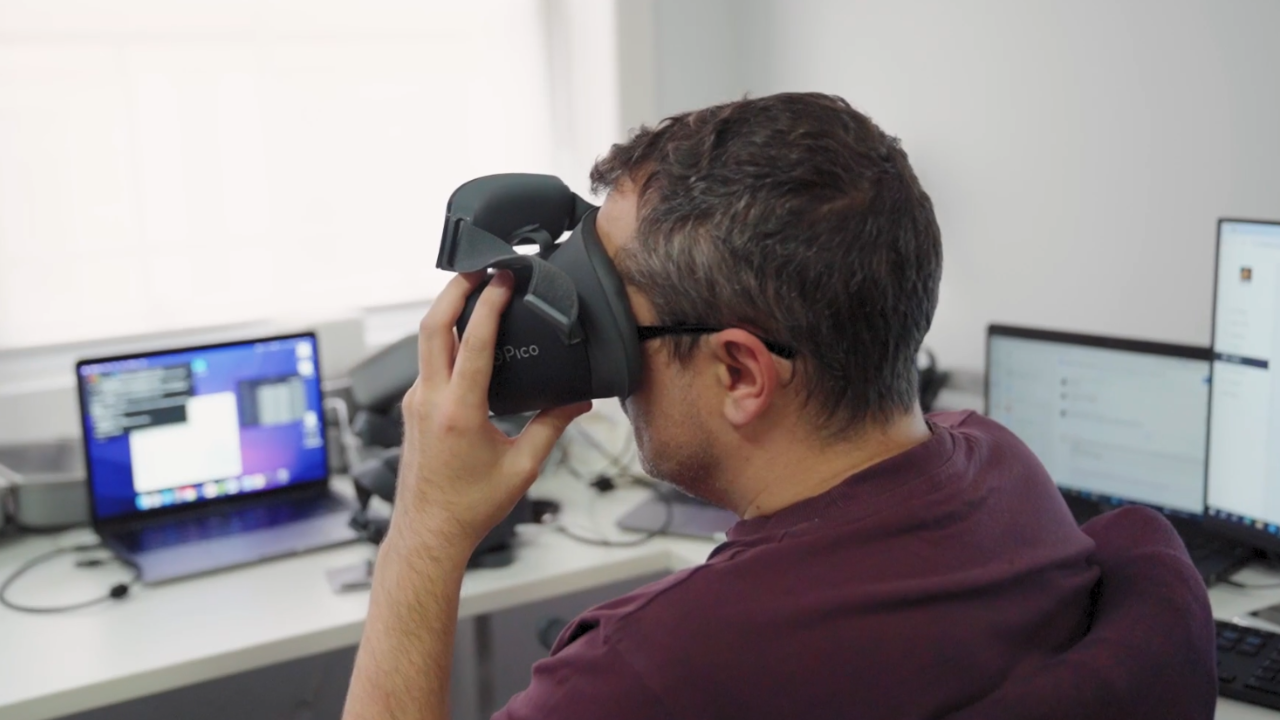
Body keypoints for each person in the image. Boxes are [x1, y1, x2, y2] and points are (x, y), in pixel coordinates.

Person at [342, 93, 1215, 719]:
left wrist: (423, 527)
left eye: (609, 314)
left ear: (741, 375)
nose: (593, 348)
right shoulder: (1003, 468)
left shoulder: (650, 673)